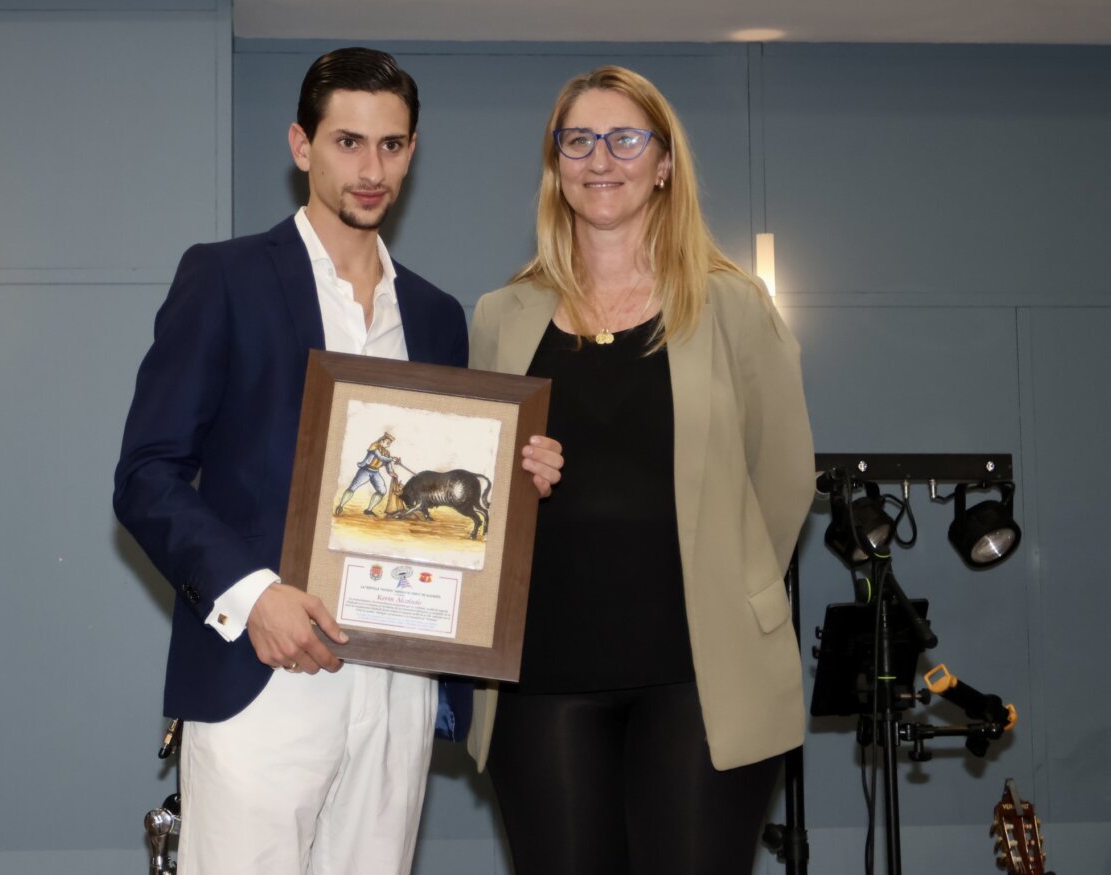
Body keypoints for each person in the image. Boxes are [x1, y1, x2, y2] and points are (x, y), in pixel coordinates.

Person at [113, 47, 561, 874]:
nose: (371, 169)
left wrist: (519, 482)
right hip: (261, 670)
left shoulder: (436, 314)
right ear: (301, 145)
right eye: (348, 142)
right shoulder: (225, 277)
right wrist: (254, 598)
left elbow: (446, 496)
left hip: (399, 683)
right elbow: (146, 475)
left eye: (391, 145)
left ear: (412, 152)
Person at [466, 65, 815, 875]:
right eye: (578, 140)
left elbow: (784, 477)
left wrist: (733, 583)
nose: (600, 159)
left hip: (702, 676)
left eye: (625, 139)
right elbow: (481, 485)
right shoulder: (500, 316)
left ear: (664, 163)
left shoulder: (735, 306)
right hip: (540, 677)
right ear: (555, 164)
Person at [335, 432, 399, 516]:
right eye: (387, 443)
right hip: (365, 470)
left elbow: (388, 464)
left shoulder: (387, 452)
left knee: (382, 491)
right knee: (352, 488)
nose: (388, 445)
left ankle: (368, 510)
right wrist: (391, 459)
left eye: (389, 443)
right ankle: (340, 506)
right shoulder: (374, 446)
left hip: (375, 472)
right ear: (382, 441)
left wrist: (391, 472)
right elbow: (380, 457)